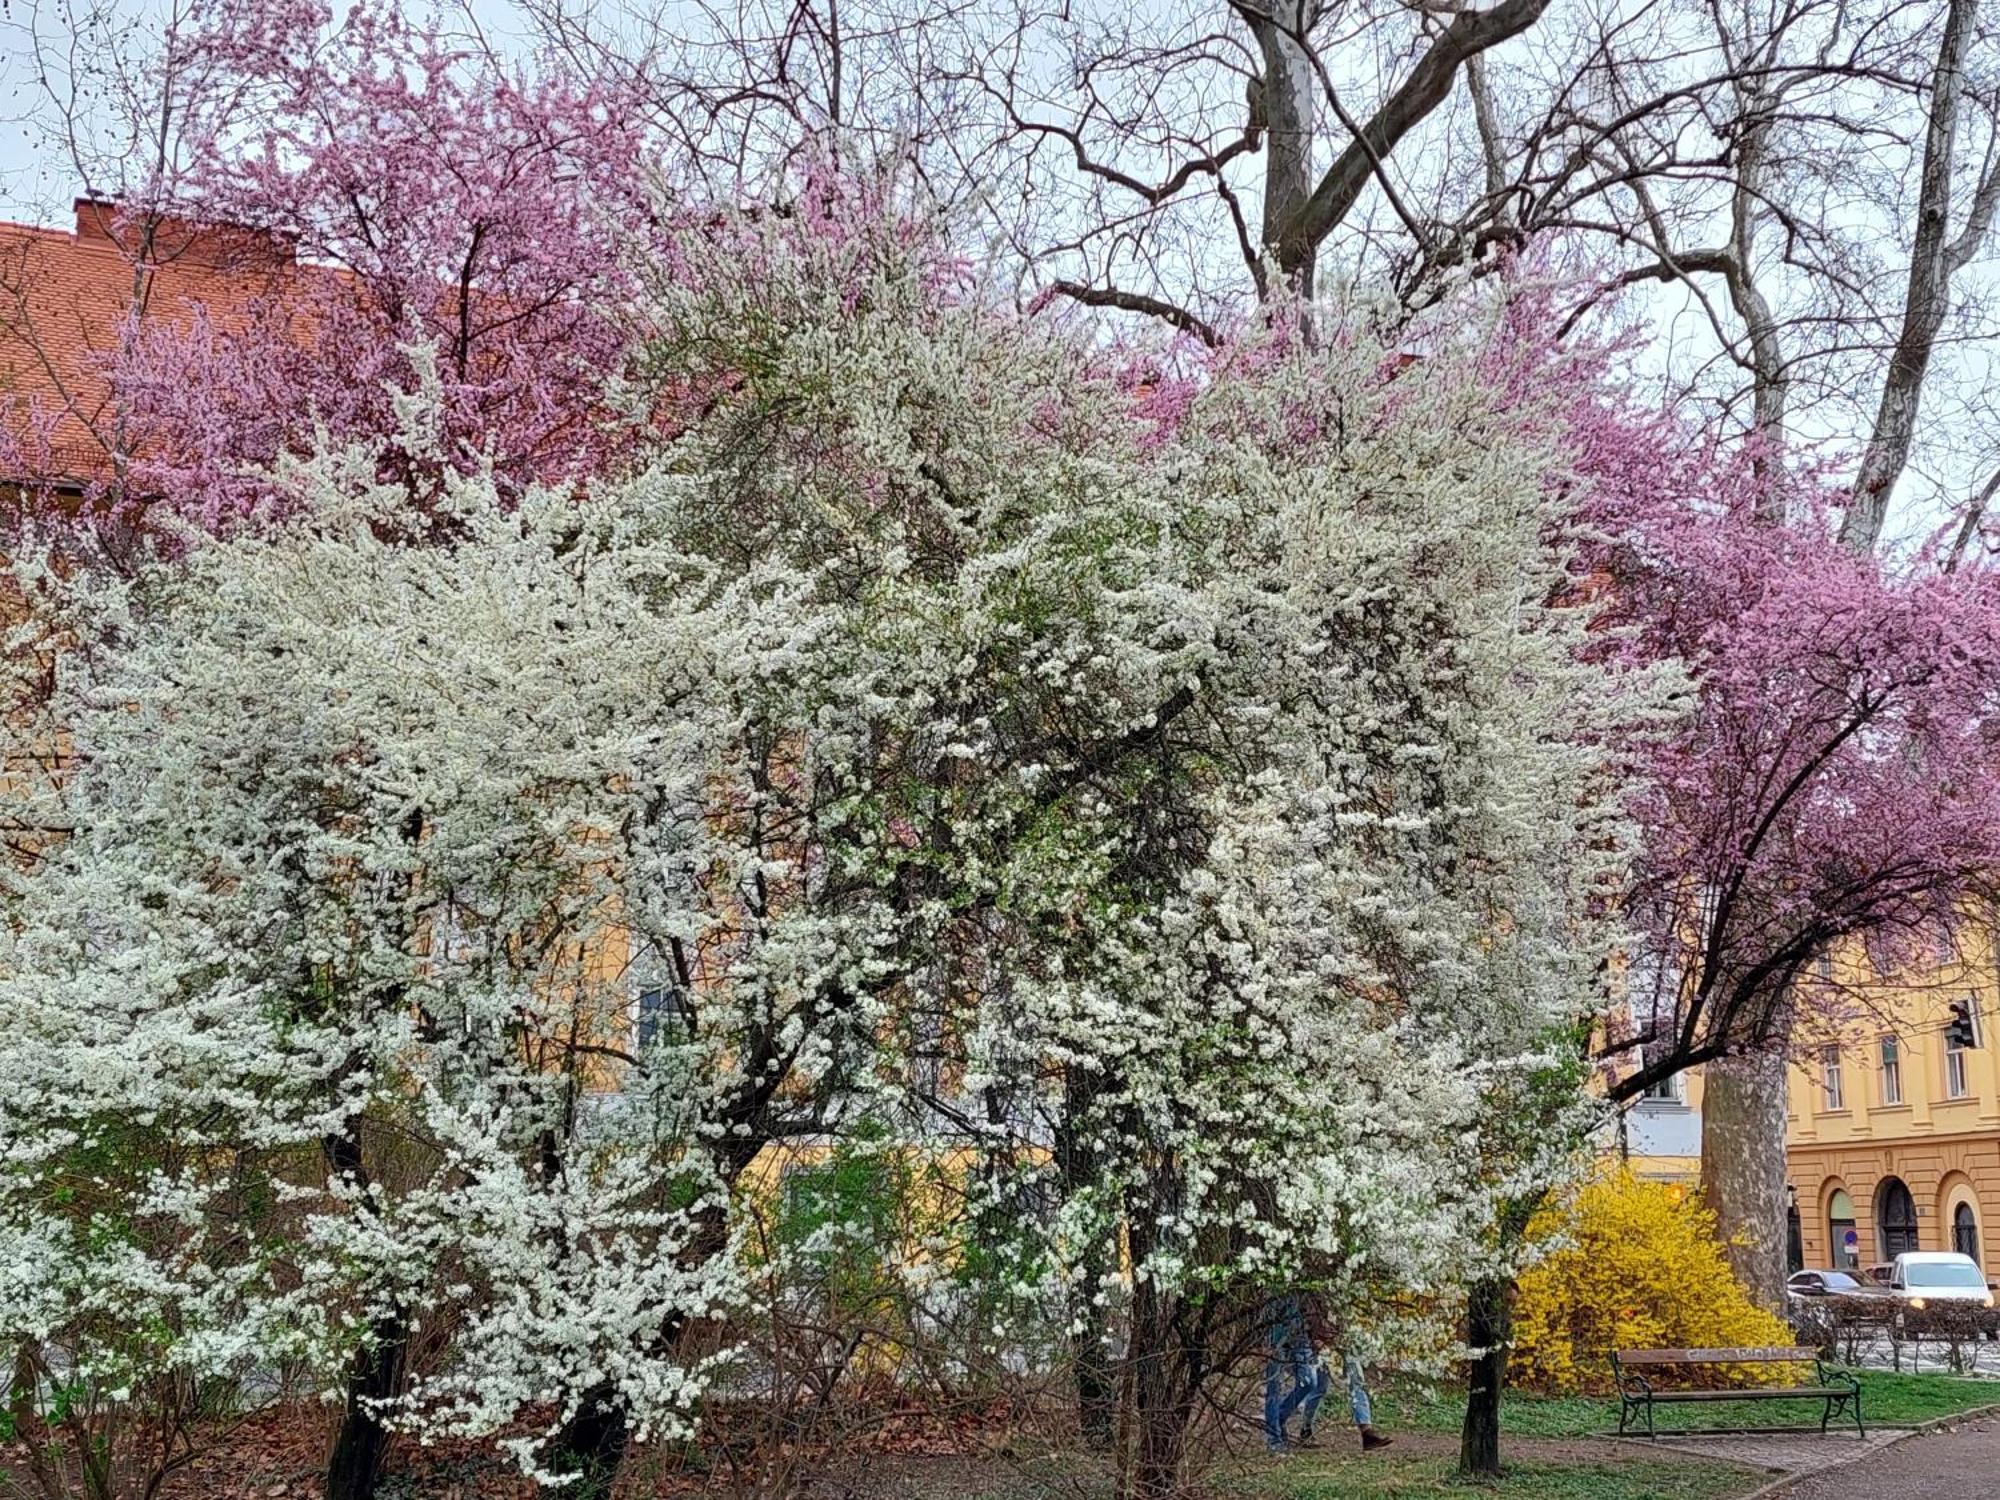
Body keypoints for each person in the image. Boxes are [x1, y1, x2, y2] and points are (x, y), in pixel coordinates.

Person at [1272, 1294, 1393, 1453]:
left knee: (1356, 1381)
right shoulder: (1314, 1292)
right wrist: (1315, 1338)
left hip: (1342, 1339)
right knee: (1319, 1385)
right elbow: (1307, 1314)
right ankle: (1303, 1427)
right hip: (1319, 1342)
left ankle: (1366, 1431)